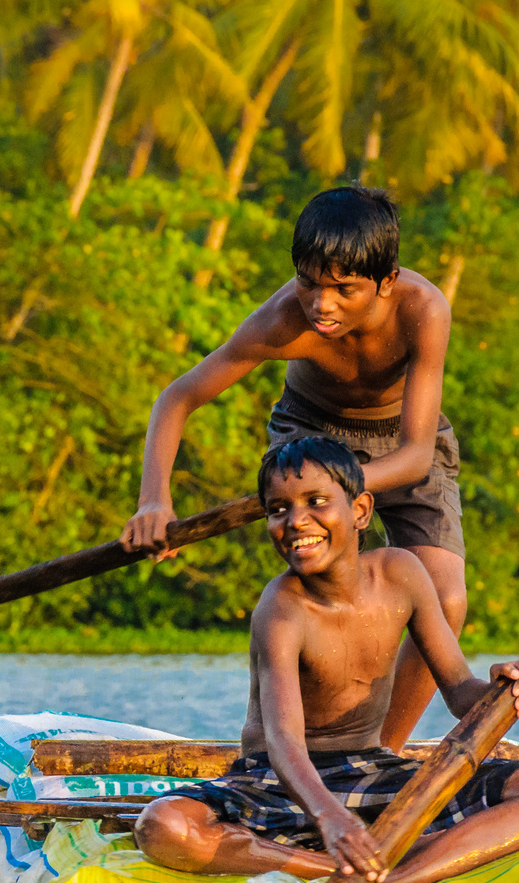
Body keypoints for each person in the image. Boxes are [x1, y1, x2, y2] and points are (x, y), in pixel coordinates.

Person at [133, 437, 519, 883]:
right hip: (279, 780)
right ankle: (331, 867)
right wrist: (330, 819)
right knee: (163, 826)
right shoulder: (282, 607)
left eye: (317, 502)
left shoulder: (402, 573)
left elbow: (459, 691)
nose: (297, 522)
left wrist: (505, 686)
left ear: (361, 510)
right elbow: (283, 740)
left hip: (371, 773)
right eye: (277, 509)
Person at [120, 186, 466, 751]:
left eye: (343, 289)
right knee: (318, 597)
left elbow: (417, 455)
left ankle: (381, 755)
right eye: (309, 283)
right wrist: (153, 500)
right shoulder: (284, 320)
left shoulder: (423, 310)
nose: (321, 305)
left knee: (447, 597)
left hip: (401, 446)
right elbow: (177, 398)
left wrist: (343, 485)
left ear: (385, 281)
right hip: (309, 433)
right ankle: (284, 748)